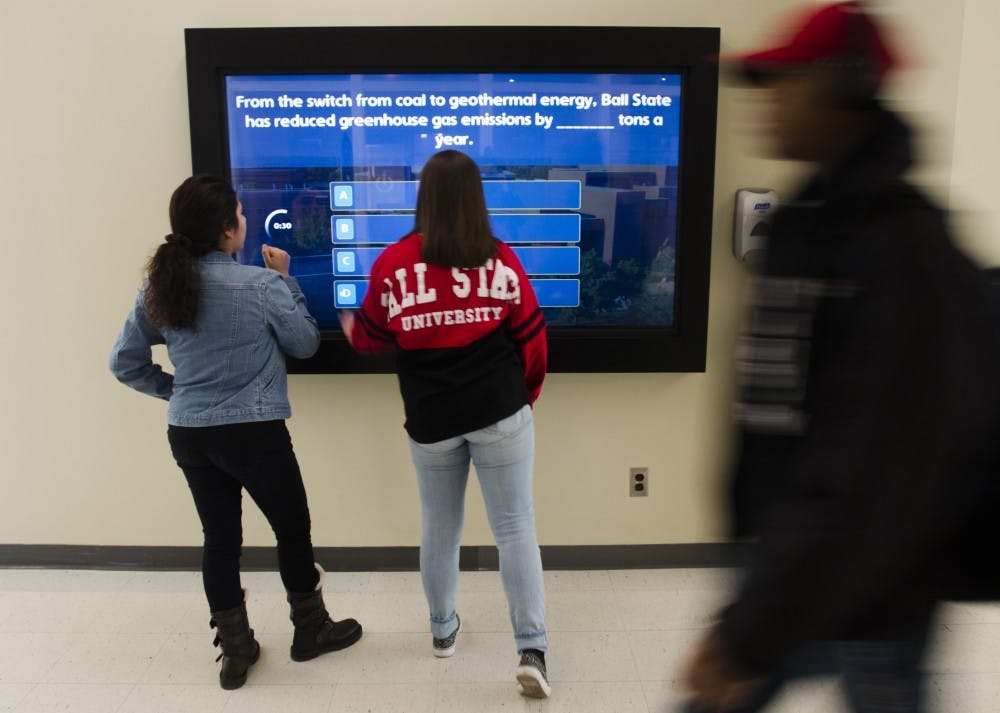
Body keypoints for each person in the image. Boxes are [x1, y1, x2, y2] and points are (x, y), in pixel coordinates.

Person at [680, 3, 1000, 712]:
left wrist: (751, 632)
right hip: (797, 560)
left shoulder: (905, 253)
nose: (765, 99)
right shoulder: (809, 225)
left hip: (873, 588)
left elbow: (871, 466)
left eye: (783, 80)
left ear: (842, 84)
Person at [110, 175, 362, 690]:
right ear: (228, 230)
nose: (246, 221)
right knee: (292, 530)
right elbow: (306, 344)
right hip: (255, 432)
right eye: (242, 215)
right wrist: (287, 279)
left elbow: (124, 363)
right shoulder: (261, 285)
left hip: (190, 434)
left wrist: (178, 392)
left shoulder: (159, 287)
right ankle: (310, 631)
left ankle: (236, 650)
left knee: (220, 541)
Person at [339, 149, 551, 698]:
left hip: (431, 418)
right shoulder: (502, 261)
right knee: (515, 529)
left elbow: (371, 338)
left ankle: (442, 632)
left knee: (440, 528)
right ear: (476, 199)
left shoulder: (393, 264)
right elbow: (532, 339)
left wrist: (349, 325)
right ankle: (531, 650)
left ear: (424, 199)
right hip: (500, 410)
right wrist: (523, 400)